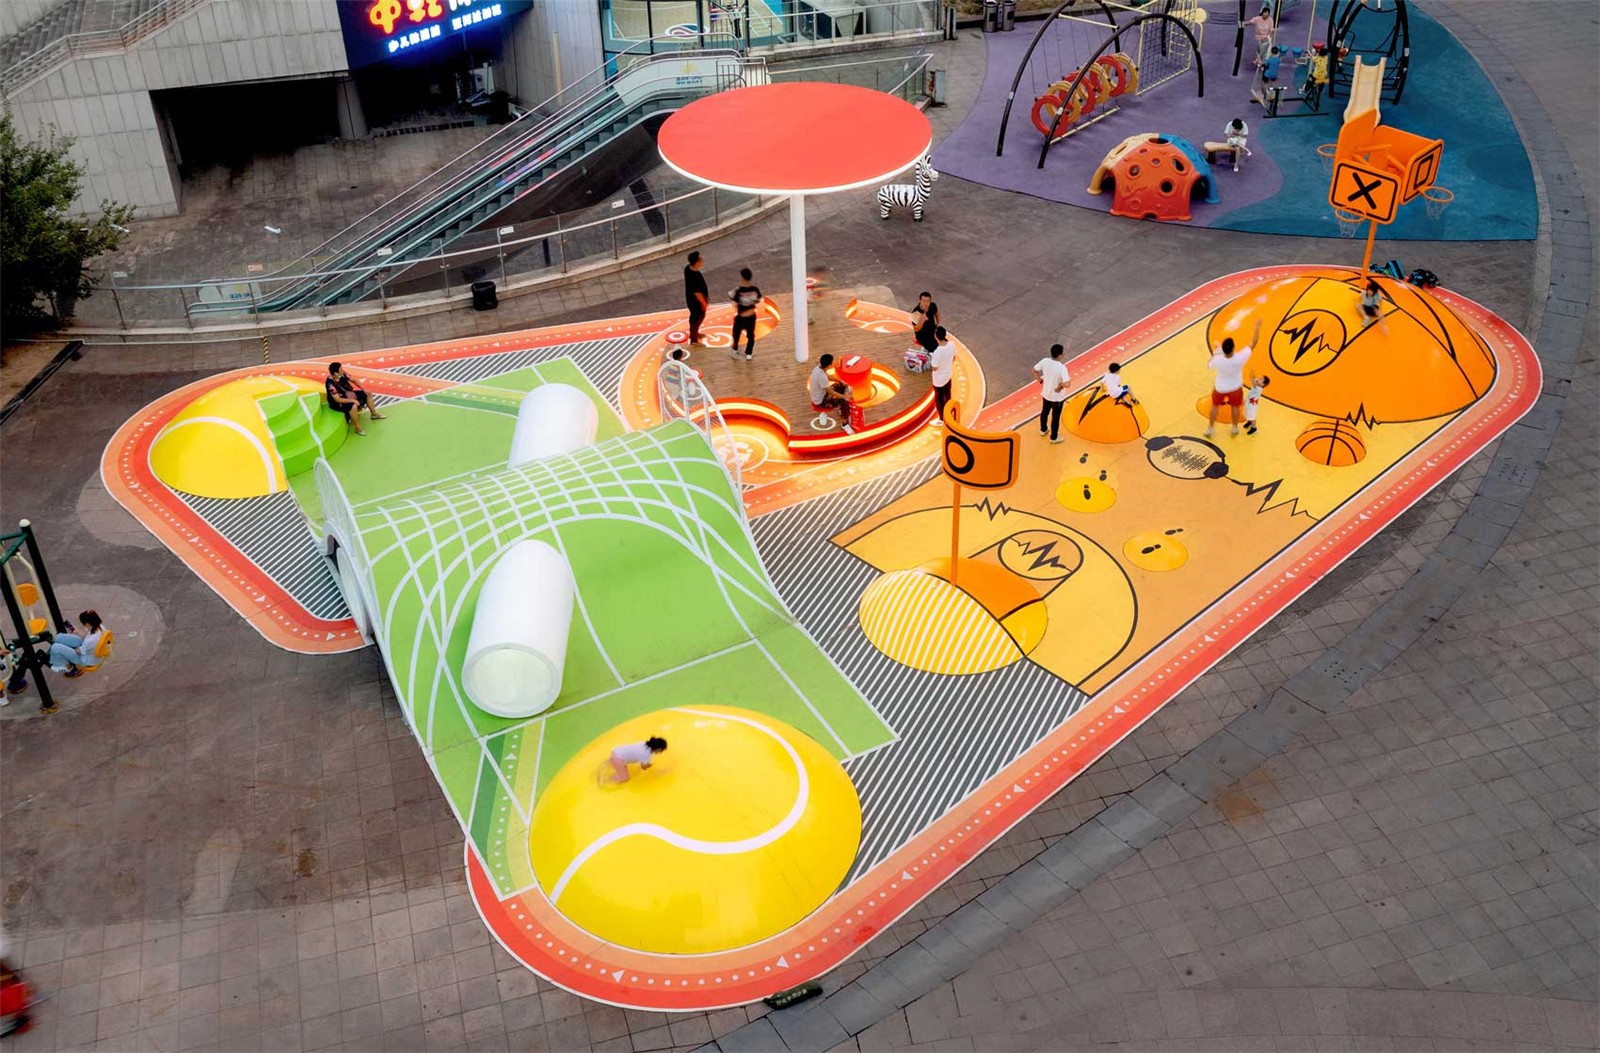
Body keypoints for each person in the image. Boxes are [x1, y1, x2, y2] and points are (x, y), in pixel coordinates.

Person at [1205, 321, 1262, 438]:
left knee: (1215, 407)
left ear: (1224, 349)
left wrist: (1217, 351)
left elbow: (1209, 364)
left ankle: (1210, 429)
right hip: (1235, 387)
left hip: (1220, 388)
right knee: (1235, 407)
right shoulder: (1240, 357)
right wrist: (1257, 327)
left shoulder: (1218, 359)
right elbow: (1253, 342)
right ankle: (1234, 428)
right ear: (1233, 348)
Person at [325, 362, 385, 436]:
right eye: (341, 369)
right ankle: (357, 427)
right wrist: (353, 400)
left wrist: (364, 389)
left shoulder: (342, 374)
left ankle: (374, 414)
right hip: (337, 403)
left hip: (348, 395)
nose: (343, 370)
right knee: (353, 406)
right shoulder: (330, 384)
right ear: (335, 373)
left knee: (368, 394)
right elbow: (338, 399)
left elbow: (354, 380)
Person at [48, 610, 105, 679]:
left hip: (85, 660)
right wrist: (77, 631)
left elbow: (78, 651)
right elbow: (87, 638)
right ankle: (62, 653)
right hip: (90, 651)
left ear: (87, 624)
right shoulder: (101, 627)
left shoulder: (90, 641)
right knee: (59, 637)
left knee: (55, 647)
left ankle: (67, 667)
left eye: (83, 624)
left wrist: (67, 649)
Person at [1032, 343, 1071, 443]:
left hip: (1046, 393)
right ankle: (1054, 437)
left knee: (1045, 412)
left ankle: (1043, 429)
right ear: (1060, 355)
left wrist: (1039, 380)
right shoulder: (1062, 368)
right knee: (1055, 417)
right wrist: (1060, 385)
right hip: (1057, 397)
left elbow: (1034, 370)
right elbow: (1067, 384)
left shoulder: (1045, 361)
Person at [809, 354, 853, 431]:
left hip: (820, 394)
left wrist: (840, 381)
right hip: (821, 401)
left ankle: (843, 407)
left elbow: (828, 377)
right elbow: (831, 392)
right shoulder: (822, 377)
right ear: (829, 365)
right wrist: (844, 397)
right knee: (843, 401)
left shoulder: (817, 368)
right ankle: (844, 423)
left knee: (840, 385)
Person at [728, 268, 761, 360]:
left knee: (736, 334)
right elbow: (757, 300)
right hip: (751, 317)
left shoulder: (738, 290)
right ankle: (748, 353)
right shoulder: (755, 290)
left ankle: (735, 349)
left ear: (742, 277)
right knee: (750, 335)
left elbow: (733, 302)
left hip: (741, 317)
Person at [929, 326, 956, 426]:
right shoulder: (952, 345)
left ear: (936, 337)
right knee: (947, 396)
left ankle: (942, 419)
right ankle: (949, 415)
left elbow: (935, 367)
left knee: (939, 399)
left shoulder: (938, 352)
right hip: (948, 375)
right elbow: (953, 357)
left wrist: (931, 359)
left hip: (939, 380)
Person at [683, 251, 709, 347]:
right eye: (700, 259)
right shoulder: (695, 276)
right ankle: (694, 340)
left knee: (695, 318)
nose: (702, 260)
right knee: (697, 318)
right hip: (696, 302)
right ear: (696, 262)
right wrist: (704, 303)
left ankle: (694, 333)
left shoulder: (687, 268)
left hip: (691, 299)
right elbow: (697, 293)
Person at [909, 291, 940, 356]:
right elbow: (916, 329)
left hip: (932, 332)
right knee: (935, 349)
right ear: (920, 301)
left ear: (930, 301)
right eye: (923, 301)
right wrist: (922, 320)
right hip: (922, 336)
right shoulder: (915, 313)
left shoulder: (932, 305)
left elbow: (937, 313)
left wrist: (938, 323)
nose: (925, 303)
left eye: (928, 301)